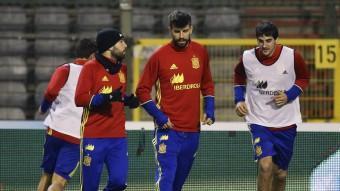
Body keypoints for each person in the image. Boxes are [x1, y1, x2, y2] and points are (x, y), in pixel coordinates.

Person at [136, 10, 215, 191]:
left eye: (185, 31)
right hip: (168, 130)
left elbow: (207, 83)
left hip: (192, 132)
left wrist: (210, 108)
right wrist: (160, 117)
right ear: (170, 29)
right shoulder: (159, 56)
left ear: (191, 29)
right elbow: (141, 91)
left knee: (177, 185)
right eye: (177, 31)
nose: (181, 36)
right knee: (166, 179)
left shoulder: (200, 52)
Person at [233, 21, 310, 191]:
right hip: (259, 120)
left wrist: (289, 95)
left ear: (276, 39)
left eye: (268, 40)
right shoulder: (247, 57)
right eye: (260, 41)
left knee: (280, 174)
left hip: (286, 122)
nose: (264, 45)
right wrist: (239, 99)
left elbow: (304, 78)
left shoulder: (292, 56)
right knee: (265, 166)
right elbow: (239, 76)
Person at [75, 28, 139, 191]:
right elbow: (80, 98)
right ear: (110, 47)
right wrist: (106, 97)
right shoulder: (90, 68)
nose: (125, 45)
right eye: (121, 42)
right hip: (94, 135)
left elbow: (117, 96)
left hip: (118, 137)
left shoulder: (122, 69)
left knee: (119, 182)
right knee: (89, 187)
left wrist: (126, 100)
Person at [37, 38, 97, 191]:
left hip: (55, 130)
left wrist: (43, 108)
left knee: (46, 175)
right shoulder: (97, 75)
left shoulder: (65, 69)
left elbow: (50, 91)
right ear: (91, 56)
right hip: (76, 136)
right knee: (59, 181)